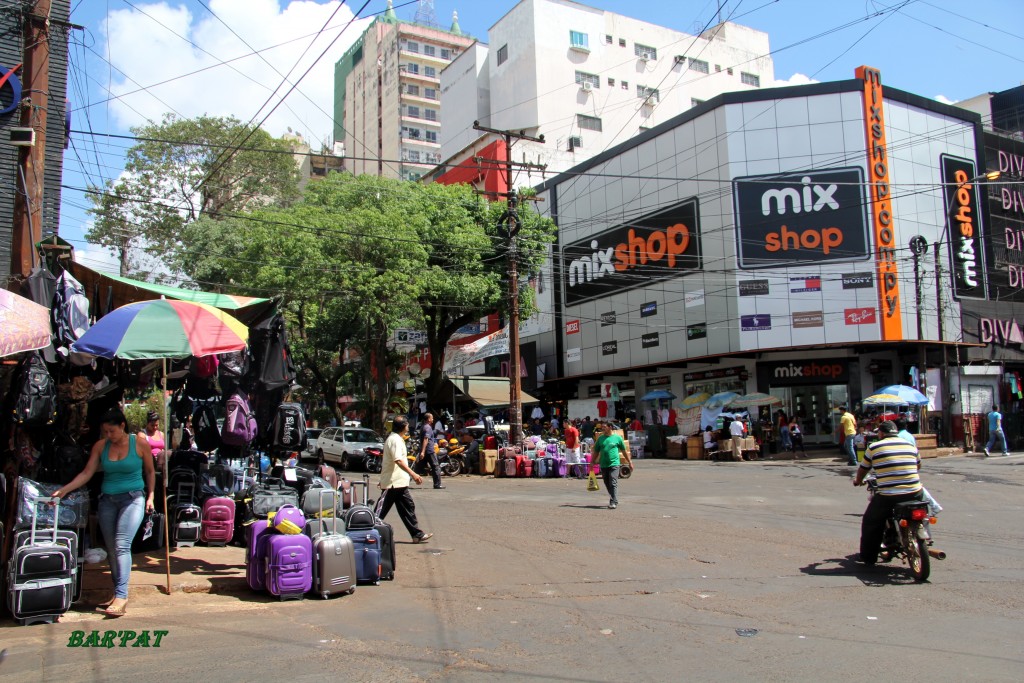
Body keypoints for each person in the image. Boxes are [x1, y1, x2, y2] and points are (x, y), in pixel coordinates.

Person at [52, 408, 156, 617]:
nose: (108, 436)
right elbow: (87, 472)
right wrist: (64, 490)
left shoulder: (140, 444)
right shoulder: (101, 446)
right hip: (107, 501)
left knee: (121, 545)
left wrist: (151, 496)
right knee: (111, 549)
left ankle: (121, 595)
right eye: (105, 432)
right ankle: (117, 590)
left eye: (112, 431)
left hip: (133, 498)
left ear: (122, 426)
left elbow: (150, 471)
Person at [852, 421, 924, 566]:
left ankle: (868, 557)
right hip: (915, 492)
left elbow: (863, 469)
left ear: (881, 433)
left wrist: (858, 481)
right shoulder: (910, 446)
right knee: (923, 512)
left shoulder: (874, 447)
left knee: (871, 522)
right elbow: (918, 465)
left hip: (889, 495)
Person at [378, 416, 432, 543]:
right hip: (392, 483)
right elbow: (398, 461)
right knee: (380, 511)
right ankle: (365, 530)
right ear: (403, 426)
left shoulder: (398, 439)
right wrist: (413, 474)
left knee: (408, 507)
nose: (408, 427)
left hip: (399, 482)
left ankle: (416, 534)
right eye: (407, 424)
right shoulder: (395, 440)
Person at [593, 422, 633, 509]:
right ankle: (614, 499)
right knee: (607, 483)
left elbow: (624, 451)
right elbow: (596, 451)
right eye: (602, 427)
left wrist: (629, 462)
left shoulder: (617, 438)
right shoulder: (600, 439)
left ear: (610, 427)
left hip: (614, 464)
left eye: (604, 427)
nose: (602, 429)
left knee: (613, 482)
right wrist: (592, 462)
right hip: (603, 464)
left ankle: (613, 501)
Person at [416, 412, 444, 489]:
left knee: (418, 468)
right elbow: (426, 439)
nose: (433, 419)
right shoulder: (427, 428)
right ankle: (437, 484)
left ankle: (406, 480)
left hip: (425, 450)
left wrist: (422, 451)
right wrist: (423, 451)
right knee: (436, 466)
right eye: (432, 418)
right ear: (428, 419)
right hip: (429, 450)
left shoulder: (424, 427)